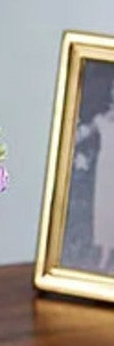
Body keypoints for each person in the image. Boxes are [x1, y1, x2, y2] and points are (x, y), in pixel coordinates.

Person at [76, 79, 114, 272]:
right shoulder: (102, 118)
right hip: (105, 170)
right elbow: (82, 134)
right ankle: (105, 254)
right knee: (104, 209)